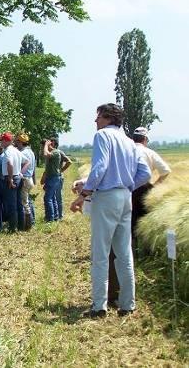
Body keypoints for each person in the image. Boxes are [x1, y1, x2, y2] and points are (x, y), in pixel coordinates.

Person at [70, 103, 150, 318]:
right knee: (124, 253)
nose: (95, 121)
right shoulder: (129, 142)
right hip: (125, 197)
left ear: (107, 118)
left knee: (100, 253)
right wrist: (128, 186)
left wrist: (83, 194)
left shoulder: (102, 136)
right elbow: (145, 173)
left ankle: (99, 306)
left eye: (98, 117)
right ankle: (127, 304)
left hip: (106, 198)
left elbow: (100, 166)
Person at [131, 126, 171, 238]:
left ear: (133, 138)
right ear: (145, 139)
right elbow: (166, 171)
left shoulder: (125, 151)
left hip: (125, 189)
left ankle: (127, 249)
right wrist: (154, 186)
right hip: (143, 191)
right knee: (142, 219)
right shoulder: (150, 153)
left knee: (126, 220)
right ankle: (142, 249)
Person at [0, 132, 29, 232]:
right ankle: (20, 226)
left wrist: (11, 179)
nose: (0, 142)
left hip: (10, 178)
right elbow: (27, 162)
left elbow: (10, 164)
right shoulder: (16, 151)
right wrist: (21, 173)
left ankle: (13, 228)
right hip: (18, 177)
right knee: (18, 203)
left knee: (11, 204)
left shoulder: (8, 151)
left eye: (2, 140)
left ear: (6, 141)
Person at [41, 138, 66, 222]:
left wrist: (46, 145)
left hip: (53, 178)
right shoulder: (53, 152)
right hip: (52, 177)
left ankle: (50, 218)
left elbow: (45, 154)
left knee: (47, 198)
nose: (42, 148)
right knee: (52, 198)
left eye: (43, 146)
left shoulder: (55, 152)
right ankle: (55, 216)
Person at [16, 133, 36, 228]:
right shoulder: (31, 152)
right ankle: (32, 221)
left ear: (20, 142)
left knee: (24, 203)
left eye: (17, 141)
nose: (16, 143)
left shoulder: (22, 153)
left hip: (24, 179)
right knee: (28, 201)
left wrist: (19, 172)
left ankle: (27, 225)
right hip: (30, 178)